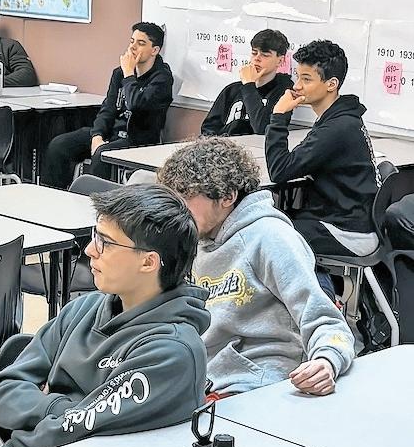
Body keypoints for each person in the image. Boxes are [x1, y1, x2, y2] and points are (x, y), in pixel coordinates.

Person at [0, 184, 210, 447]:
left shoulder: (172, 352)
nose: (90, 250)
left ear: (148, 262)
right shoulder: (82, 309)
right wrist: (65, 409)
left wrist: (45, 408)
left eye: (106, 242)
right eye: (95, 235)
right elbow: (2, 393)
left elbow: (68, 436)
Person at [157, 137, 354, 398]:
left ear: (227, 196)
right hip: (205, 375)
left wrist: (326, 361)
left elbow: (324, 319)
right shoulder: (197, 238)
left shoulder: (271, 237)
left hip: (255, 385)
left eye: (186, 198)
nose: (177, 211)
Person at [265, 39, 379, 297]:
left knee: (267, 235)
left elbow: (279, 170)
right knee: (276, 222)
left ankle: (320, 300)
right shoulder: (341, 117)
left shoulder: (336, 127)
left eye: (306, 79)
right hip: (350, 218)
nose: (296, 86)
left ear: (331, 84)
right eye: (297, 76)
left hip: (350, 231)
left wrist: (279, 116)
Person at [40, 22, 173, 189]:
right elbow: (108, 109)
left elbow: (136, 104)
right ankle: (54, 193)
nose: (133, 47)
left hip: (138, 140)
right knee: (59, 145)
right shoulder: (119, 73)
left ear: (155, 50)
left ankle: (92, 201)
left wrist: (129, 75)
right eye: (132, 41)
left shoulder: (162, 79)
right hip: (112, 133)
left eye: (141, 43)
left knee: (102, 155)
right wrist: (97, 135)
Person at [201, 29, 294, 136]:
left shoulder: (284, 92)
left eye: (265, 55)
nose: (257, 59)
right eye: (254, 53)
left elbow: (263, 128)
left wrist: (249, 85)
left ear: (280, 60)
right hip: (224, 144)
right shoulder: (232, 90)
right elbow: (208, 129)